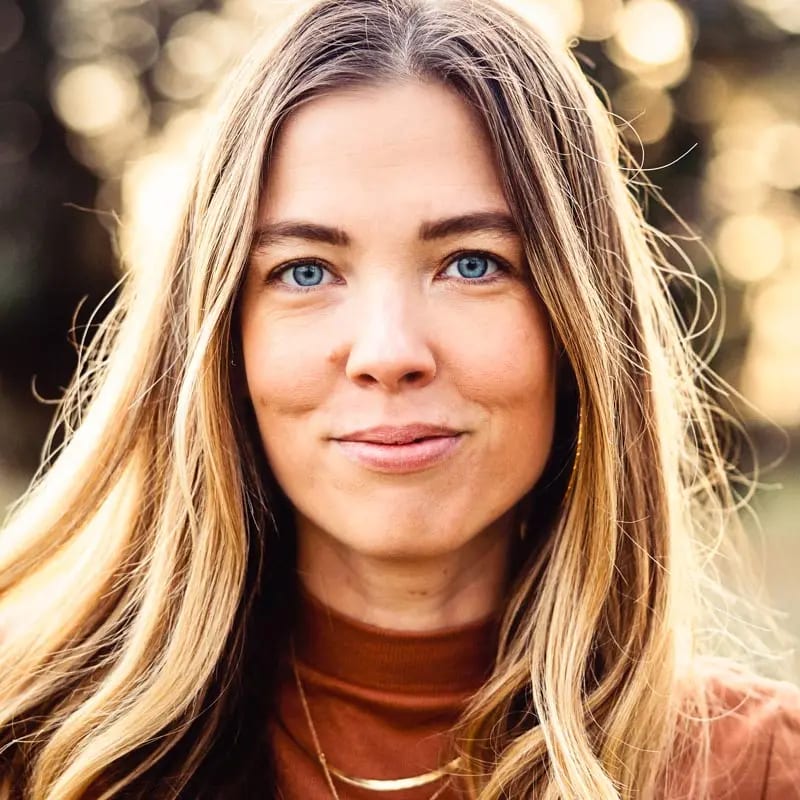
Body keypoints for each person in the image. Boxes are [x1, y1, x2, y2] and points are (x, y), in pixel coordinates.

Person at [0, 0, 798, 797]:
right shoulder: (37, 748)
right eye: (306, 270)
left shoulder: (763, 771)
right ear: (220, 344)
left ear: (577, 325)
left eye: (473, 263)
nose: (388, 353)